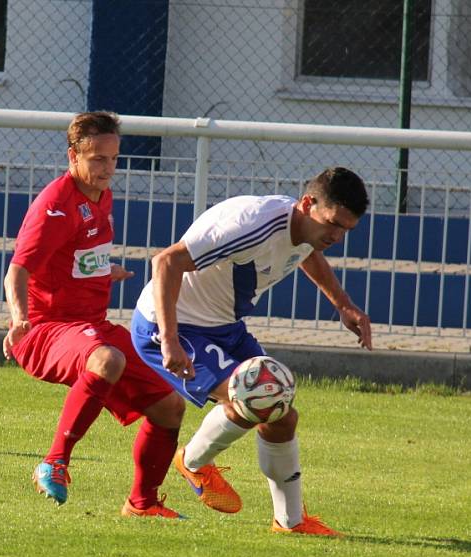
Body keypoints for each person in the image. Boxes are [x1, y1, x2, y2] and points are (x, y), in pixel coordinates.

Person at [130, 166, 371, 535]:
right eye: (333, 224)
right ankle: (193, 463)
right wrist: (169, 338)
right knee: (258, 399)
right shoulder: (249, 225)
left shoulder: (306, 227)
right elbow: (166, 262)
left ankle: (290, 522)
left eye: (346, 230)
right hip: (173, 325)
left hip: (225, 327)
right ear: (307, 204)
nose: (337, 236)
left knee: (282, 415)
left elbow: (306, 251)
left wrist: (343, 304)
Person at [3, 111, 186, 518]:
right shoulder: (56, 204)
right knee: (107, 359)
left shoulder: (101, 195)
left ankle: (143, 503)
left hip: (91, 324)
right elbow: (18, 269)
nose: (108, 169)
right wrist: (19, 320)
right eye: (98, 159)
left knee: (170, 406)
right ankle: (54, 461)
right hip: (46, 329)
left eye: (114, 158)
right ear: (74, 156)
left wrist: (107, 270)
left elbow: (77, 258)